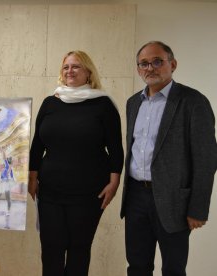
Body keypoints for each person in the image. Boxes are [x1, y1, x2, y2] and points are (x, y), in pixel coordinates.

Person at [120, 41, 217, 276]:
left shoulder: (193, 102)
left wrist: (198, 208)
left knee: (173, 269)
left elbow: (206, 159)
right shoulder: (133, 103)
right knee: (137, 266)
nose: (150, 68)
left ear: (172, 64)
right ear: (138, 69)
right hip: (136, 197)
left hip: (174, 201)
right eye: (144, 63)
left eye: (157, 61)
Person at [29, 50, 124, 276]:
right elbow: (37, 145)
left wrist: (115, 182)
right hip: (50, 191)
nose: (70, 71)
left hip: (89, 193)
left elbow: (116, 148)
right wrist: (32, 178)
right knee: (51, 249)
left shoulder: (103, 104)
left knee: (79, 249)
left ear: (88, 72)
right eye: (66, 67)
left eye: (76, 66)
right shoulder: (50, 103)